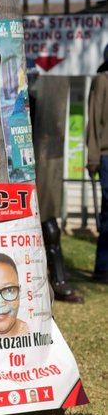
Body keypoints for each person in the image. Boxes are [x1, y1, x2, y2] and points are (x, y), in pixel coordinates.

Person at [86, 44, 108, 282]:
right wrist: (92, 157)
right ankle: (102, 268)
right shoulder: (102, 81)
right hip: (106, 156)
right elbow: (94, 121)